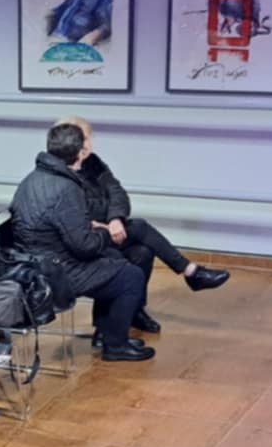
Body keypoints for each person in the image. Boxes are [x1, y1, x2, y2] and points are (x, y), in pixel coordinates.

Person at [58, 116, 227, 334]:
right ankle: (190, 272)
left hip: (106, 231)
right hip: (83, 242)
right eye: (87, 138)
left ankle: (131, 313)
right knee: (138, 228)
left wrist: (115, 218)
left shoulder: (93, 163)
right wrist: (103, 222)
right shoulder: (60, 175)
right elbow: (77, 214)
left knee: (142, 253)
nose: (91, 142)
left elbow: (117, 192)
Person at [8, 123, 155, 362]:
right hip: (56, 272)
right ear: (78, 154)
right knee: (131, 276)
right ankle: (116, 346)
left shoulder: (31, 180)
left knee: (116, 261)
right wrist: (105, 233)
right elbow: (84, 246)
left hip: (34, 264)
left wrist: (90, 227)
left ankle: (107, 335)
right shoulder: (66, 187)